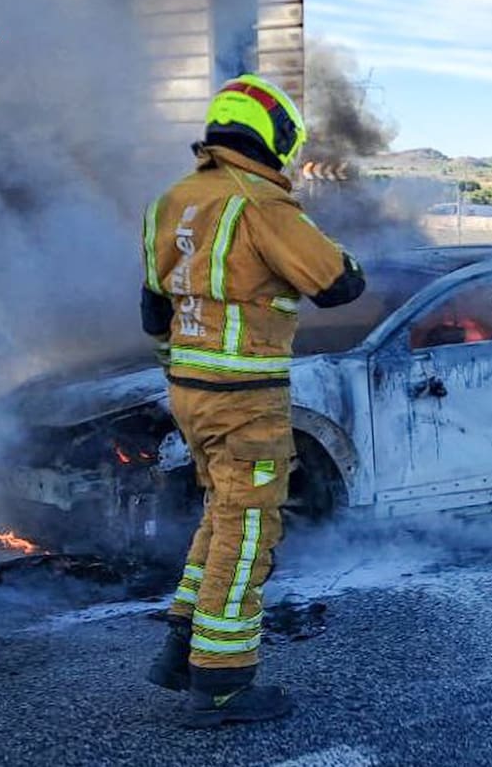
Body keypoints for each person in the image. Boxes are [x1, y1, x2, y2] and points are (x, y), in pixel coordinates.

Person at [139, 74, 365, 726]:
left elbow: (153, 310)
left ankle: (182, 650)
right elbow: (340, 284)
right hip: (245, 398)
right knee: (247, 534)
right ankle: (222, 684)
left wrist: (182, 372)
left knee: (222, 516)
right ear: (273, 135)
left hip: (191, 393)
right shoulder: (262, 204)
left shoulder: (170, 202)